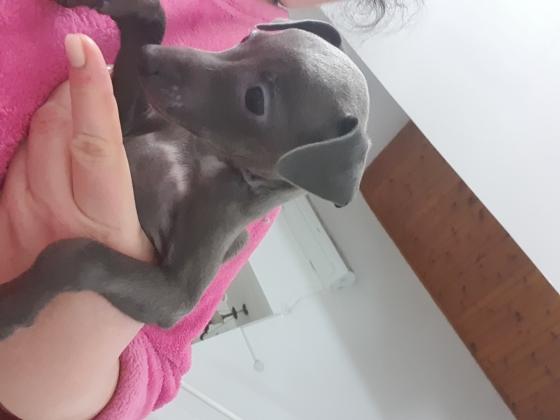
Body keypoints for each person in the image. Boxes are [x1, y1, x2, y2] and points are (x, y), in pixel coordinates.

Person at [0, 0, 386, 418]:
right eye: (247, 43)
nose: (165, 58)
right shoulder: (208, 129)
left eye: (255, 99)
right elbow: (125, 120)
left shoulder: (224, 209)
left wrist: (74, 271)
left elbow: (176, 299)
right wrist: (142, 25)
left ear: (306, 164)